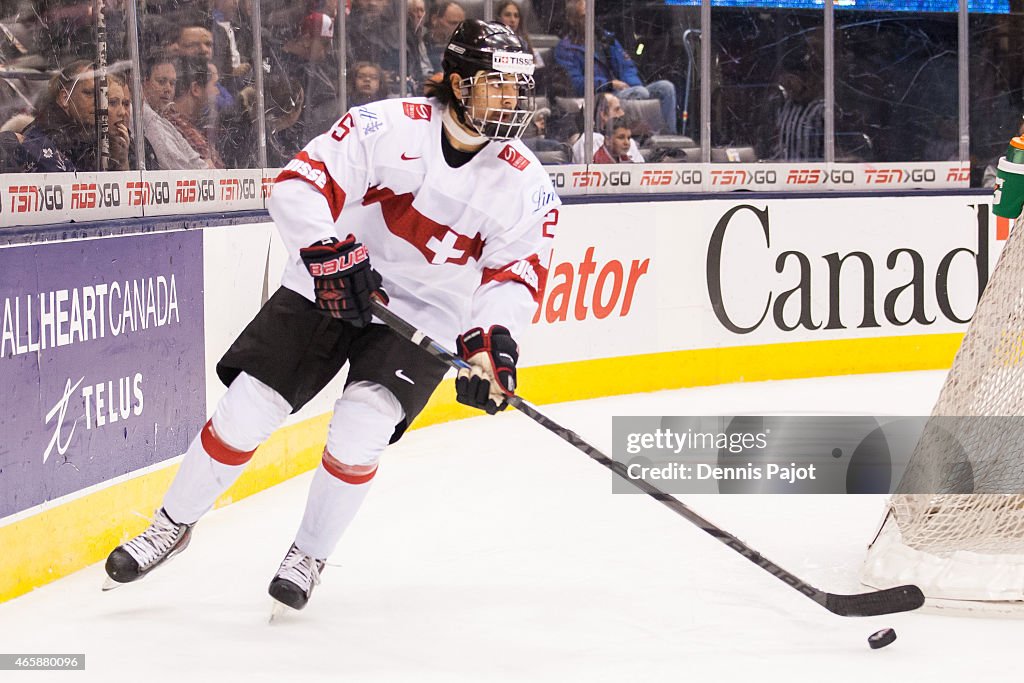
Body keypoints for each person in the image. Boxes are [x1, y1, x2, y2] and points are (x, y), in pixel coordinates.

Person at [103, 19, 560, 613]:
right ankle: (171, 524)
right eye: (498, 86)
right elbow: (298, 185)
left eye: (518, 89)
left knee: (363, 426)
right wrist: (325, 252)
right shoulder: (386, 125)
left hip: (426, 309)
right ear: (457, 82)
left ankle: (309, 554)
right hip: (333, 279)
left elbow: (514, 275)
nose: (512, 102)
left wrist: (492, 349)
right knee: (250, 406)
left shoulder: (527, 184)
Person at [554, 0, 678, 134]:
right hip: (600, 96)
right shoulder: (565, 49)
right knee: (640, 93)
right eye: (584, 16)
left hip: (625, 91)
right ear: (573, 20)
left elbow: (627, 67)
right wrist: (609, 84)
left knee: (666, 88)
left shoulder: (605, 38)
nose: (589, 20)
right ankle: (637, 134)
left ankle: (668, 138)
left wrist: (633, 85)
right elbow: (575, 84)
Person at [19, 60, 133, 172]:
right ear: (65, 98)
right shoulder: (40, 140)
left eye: (102, 96)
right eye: (89, 93)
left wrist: (121, 161)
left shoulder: (96, 138)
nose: (99, 103)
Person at [162, 56, 225, 169]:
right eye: (215, 85)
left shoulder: (192, 126)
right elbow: (214, 174)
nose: (218, 92)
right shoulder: (179, 127)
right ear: (195, 89)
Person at [571, 92, 643, 163]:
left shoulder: (630, 142)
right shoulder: (588, 140)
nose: (622, 113)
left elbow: (640, 169)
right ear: (603, 115)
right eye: (617, 109)